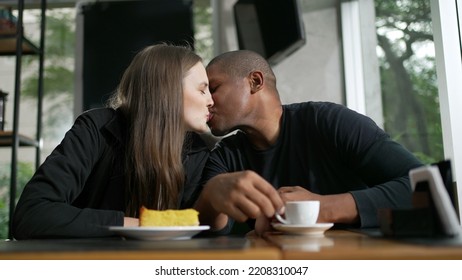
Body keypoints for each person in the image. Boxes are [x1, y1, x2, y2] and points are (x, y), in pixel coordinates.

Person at [194, 50, 423, 235]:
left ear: (255, 81)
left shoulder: (329, 121)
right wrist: (210, 198)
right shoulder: (224, 155)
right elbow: (212, 231)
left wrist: (322, 208)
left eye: (213, 89)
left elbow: (424, 187)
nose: (206, 100)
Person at [12, 43, 214, 239]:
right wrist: (138, 224)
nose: (211, 101)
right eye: (202, 90)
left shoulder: (198, 151)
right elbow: (31, 214)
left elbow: (201, 230)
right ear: (168, 91)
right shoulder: (96, 129)